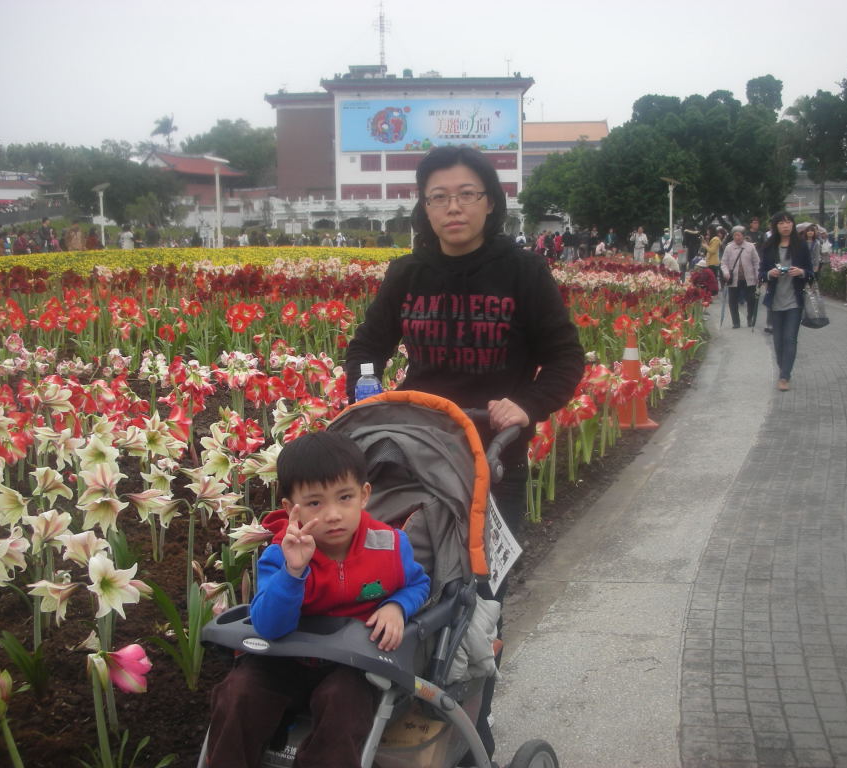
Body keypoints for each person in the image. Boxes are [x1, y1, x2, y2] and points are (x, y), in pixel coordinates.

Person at [344, 145, 584, 758]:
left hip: (491, 460)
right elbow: (367, 348)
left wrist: (526, 404)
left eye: (467, 194)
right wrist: (369, 394)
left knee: (478, 601)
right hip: (414, 458)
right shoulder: (408, 274)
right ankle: (395, 723)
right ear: (425, 207)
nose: (453, 207)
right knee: (400, 585)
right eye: (439, 197)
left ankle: (474, 729)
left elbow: (565, 359)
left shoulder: (523, 272)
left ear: (490, 202)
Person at [206, 431, 430, 768]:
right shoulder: (281, 554)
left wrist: (397, 606)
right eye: (315, 503)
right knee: (239, 692)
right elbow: (268, 626)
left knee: (344, 703)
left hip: (353, 665)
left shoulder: (390, 546)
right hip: (284, 658)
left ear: (364, 495)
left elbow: (419, 585)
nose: (333, 514)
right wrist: (293, 573)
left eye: (345, 497)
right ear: (290, 509)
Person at [760, 211, 813, 392]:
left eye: (789, 222)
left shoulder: (801, 246)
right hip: (775, 301)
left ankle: (784, 376)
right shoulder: (769, 247)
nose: (785, 225)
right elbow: (761, 274)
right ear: (776, 226)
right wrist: (769, 274)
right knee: (778, 340)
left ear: (793, 225)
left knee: (790, 338)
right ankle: (784, 369)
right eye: (781, 223)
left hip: (794, 301)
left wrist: (802, 272)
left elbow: (811, 273)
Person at [720, 226, 761, 328]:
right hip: (734, 278)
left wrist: (758, 275)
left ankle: (750, 318)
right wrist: (726, 272)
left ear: (743, 236)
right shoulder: (729, 247)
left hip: (749, 278)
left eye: (739, 235)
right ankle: (736, 322)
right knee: (733, 301)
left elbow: (756, 262)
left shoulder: (750, 247)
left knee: (751, 300)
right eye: (735, 235)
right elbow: (723, 263)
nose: (737, 237)